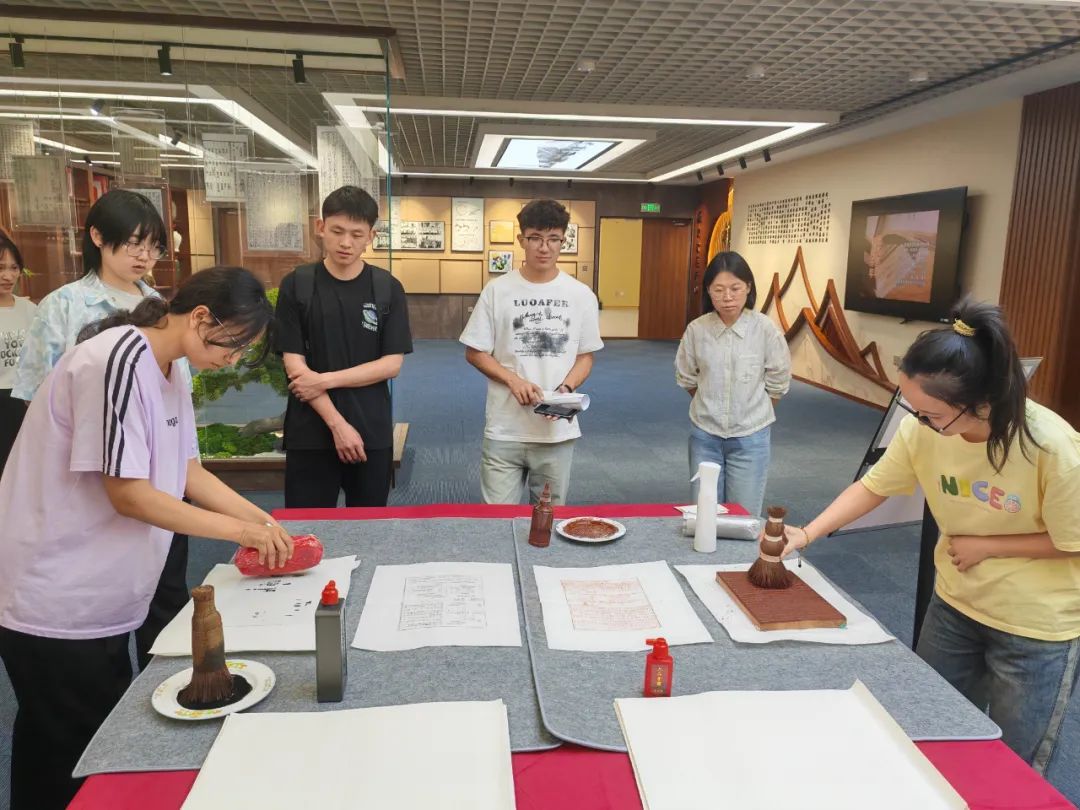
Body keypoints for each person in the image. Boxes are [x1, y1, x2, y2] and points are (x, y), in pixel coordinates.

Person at [0, 267, 294, 810]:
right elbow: (130, 495)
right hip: (57, 592)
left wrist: (270, 526)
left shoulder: (170, 367)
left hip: (99, 590)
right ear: (201, 317)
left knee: (79, 742)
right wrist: (244, 532)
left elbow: (188, 472)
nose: (233, 360)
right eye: (233, 345)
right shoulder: (117, 359)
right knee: (69, 751)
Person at [780, 299, 1080, 774]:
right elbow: (873, 486)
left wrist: (990, 545)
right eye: (912, 408)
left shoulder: (1051, 446)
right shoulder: (921, 431)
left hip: (1033, 629)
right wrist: (808, 532)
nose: (917, 422)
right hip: (956, 606)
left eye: (929, 414)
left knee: (1014, 765)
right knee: (927, 729)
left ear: (980, 404)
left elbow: (1073, 542)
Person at [11, 189, 191, 669]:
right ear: (97, 236)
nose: (143, 256)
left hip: (158, 476)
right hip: (90, 482)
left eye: (153, 247)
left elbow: (176, 390)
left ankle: (162, 685)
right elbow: (37, 398)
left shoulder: (161, 306)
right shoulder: (65, 306)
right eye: (133, 243)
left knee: (166, 596)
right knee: (98, 621)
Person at [275, 185, 413, 508]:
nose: (346, 243)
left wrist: (323, 380)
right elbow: (295, 367)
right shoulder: (297, 285)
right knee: (308, 526)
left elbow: (391, 365)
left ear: (371, 237)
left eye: (356, 234)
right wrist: (338, 425)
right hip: (310, 431)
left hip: (370, 430)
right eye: (337, 231)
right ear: (320, 227)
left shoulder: (387, 288)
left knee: (369, 529)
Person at [460, 199, 603, 505]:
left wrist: (566, 390)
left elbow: (585, 356)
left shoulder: (581, 295)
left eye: (554, 239)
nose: (544, 247)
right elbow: (475, 352)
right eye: (536, 238)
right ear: (521, 239)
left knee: (546, 520)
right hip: (504, 429)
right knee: (496, 523)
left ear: (563, 241)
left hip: (555, 432)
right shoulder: (497, 290)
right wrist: (513, 380)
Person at [675, 251, 791, 516]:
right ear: (708, 291)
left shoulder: (765, 329)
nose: (727, 297)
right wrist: (710, 401)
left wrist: (751, 410)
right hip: (705, 435)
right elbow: (686, 376)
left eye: (735, 288)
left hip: (751, 436)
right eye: (718, 290)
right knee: (704, 515)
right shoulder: (697, 330)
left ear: (748, 287)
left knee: (743, 516)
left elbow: (778, 381)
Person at [0, 232, 34, 475]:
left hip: (24, 400)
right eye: (0, 268)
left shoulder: (30, 309)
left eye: (14, 268)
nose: (8, 276)